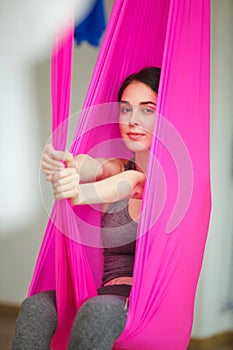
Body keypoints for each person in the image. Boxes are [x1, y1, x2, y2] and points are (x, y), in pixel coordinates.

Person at [12, 66, 160, 350]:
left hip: (138, 305)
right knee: (35, 307)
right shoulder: (119, 167)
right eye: (126, 109)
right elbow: (91, 165)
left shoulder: (160, 183)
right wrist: (68, 164)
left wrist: (78, 192)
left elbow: (130, 183)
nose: (133, 120)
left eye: (147, 110)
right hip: (99, 291)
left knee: (97, 311)